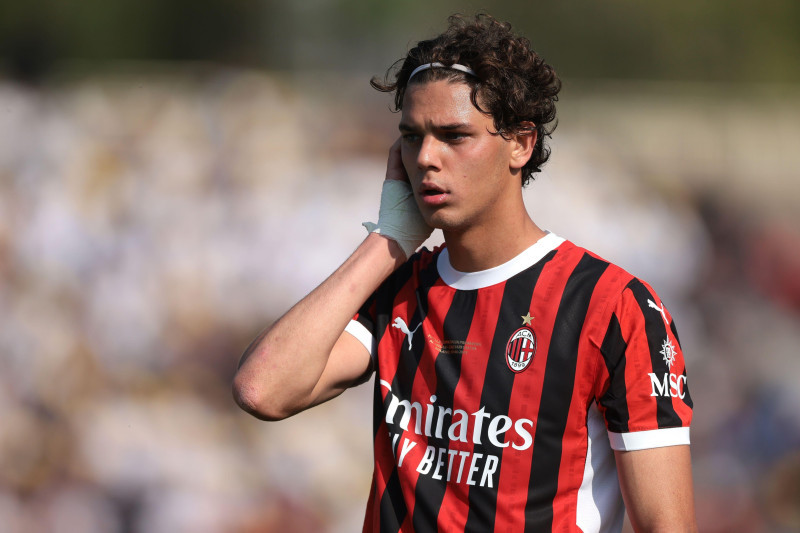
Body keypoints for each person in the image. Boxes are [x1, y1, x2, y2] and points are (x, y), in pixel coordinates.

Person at [233, 13, 697, 533]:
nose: (426, 158)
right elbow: (261, 390)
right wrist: (389, 239)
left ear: (520, 144)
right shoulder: (398, 288)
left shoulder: (612, 305)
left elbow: (666, 524)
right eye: (412, 137)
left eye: (454, 135)